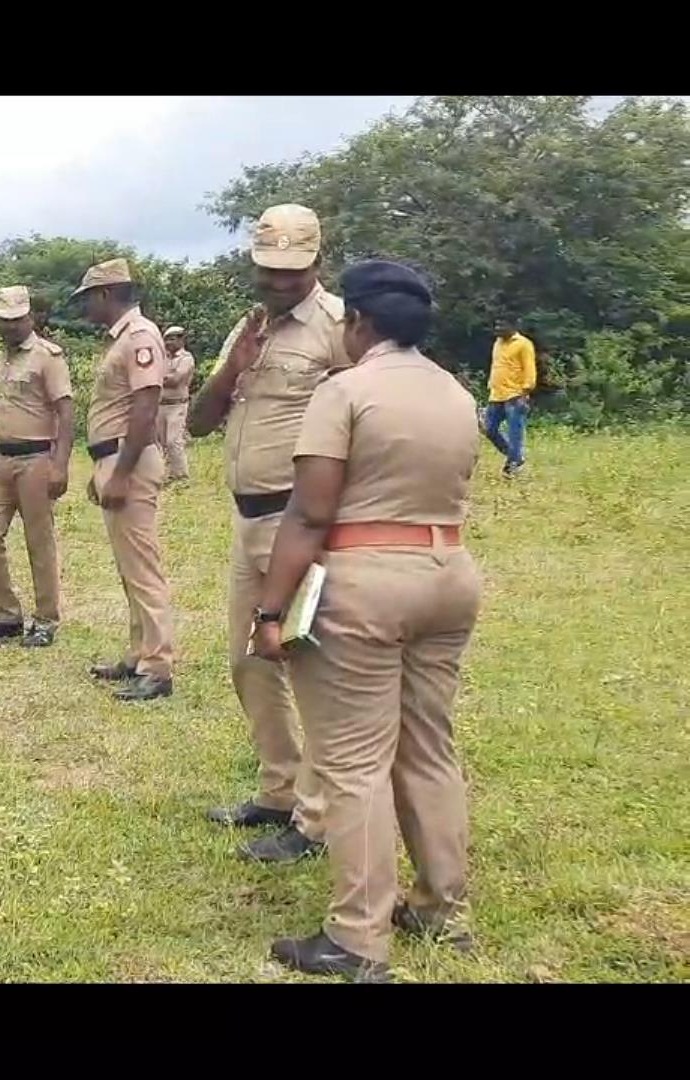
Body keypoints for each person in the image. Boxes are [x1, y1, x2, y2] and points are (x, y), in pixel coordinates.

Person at [250, 260, 481, 982]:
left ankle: (357, 938)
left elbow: (312, 510)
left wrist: (270, 610)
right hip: (447, 574)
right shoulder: (455, 392)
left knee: (353, 764)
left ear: (360, 323)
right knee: (429, 749)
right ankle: (443, 910)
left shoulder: (345, 391)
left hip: (365, 582)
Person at [189, 203, 351, 863]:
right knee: (248, 662)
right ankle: (279, 791)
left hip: (302, 520)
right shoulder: (248, 326)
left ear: (318, 260)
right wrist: (235, 366)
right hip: (247, 517)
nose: (280, 281)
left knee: (309, 671)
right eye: (268, 270)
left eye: (294, 270)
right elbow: (199, 421)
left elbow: (359, 428)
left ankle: (315, 822)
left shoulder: (342, 328)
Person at [75, 258, 176, 702]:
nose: (85, 308)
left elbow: (145, 406)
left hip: (127, 460)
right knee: (128, 567)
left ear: (105, 294)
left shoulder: (139, 337)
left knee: (142, 566)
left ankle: (158, 665)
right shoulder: (121, 339)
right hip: (113, 457)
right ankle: (139, 654)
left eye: (88, 299)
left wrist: (120, 471)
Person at [0, 286, 73, 648]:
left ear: (30, 318)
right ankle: (7, 615)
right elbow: (18, 402)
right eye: (3, 321)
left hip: (36, 459)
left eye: (16, 320)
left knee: (38, 541)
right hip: (1, 460)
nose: (10, 327)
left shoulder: (47, 357)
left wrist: (60, 464)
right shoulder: (1, 358)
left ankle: (46, 619)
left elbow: (65, 410)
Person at [485, 315, 536, 477]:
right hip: (496, 394)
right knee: (489, 429)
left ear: (513, 325)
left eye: (502, 325)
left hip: (515, 395)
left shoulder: (523, 344)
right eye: (497, 325)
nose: (498, 328)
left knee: (515, 433)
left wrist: (525, 392)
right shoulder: (497, 343)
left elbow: (529, 369)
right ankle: (516, 457)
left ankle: (513, 464)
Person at [158, 326, 195, 483]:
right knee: (160, 443)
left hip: (177, 405)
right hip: (160, 405)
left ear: (181, 340)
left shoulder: (186, 358)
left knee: (174, 440)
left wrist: (158, 377)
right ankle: (167, 475)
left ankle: (181, 476)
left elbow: (175, 380)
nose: (168, 342)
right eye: (166, 339)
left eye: (172, 338)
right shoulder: (163, 358)